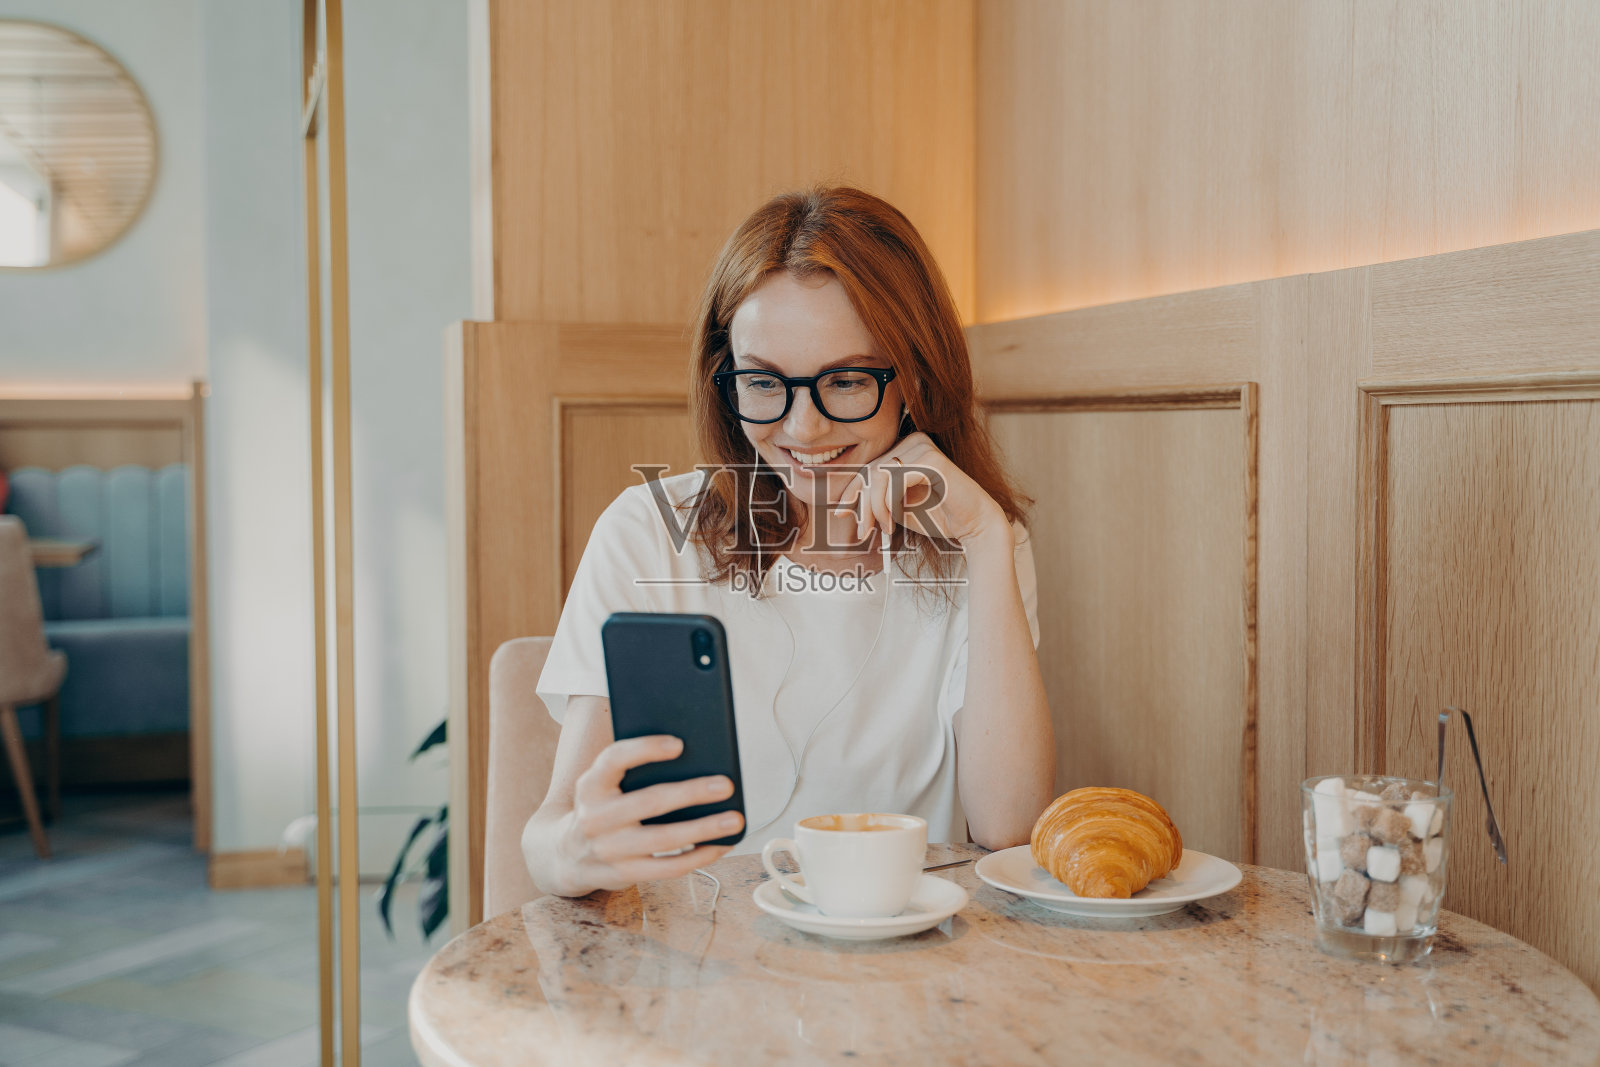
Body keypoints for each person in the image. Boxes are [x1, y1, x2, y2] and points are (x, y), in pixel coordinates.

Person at [524, 186, 1054, 898]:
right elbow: (551, 832)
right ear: (726, 380)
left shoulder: (980, 543)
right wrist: (573, 849)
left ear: (916, 376)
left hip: (893, 967)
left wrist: (987, 538)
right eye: (764, 383)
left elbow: (1008, 824)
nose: (803, 430)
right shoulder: (648, 530)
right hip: (702, 972)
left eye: (845, 380)